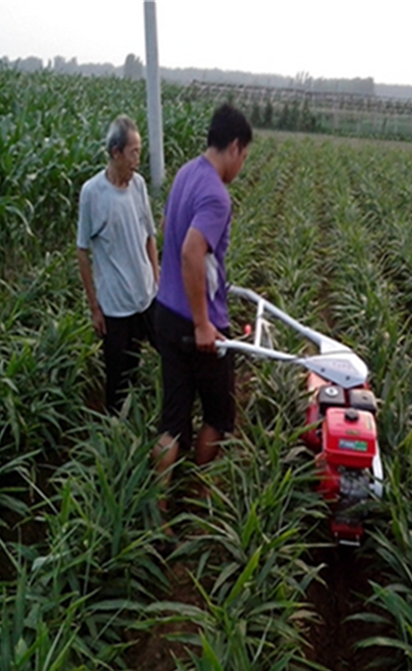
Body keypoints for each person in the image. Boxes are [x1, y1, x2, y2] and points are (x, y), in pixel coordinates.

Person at [152, 104, 252, 507]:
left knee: (173, 422)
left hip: (165, 312)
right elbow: (193, 252)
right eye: (244, 157)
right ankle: (200, 500)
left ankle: (156, 510)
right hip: (197, 326)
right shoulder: (216, 194)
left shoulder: (185, 173)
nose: (241, 165)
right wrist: (202, 323)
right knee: (219, 416)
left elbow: (167, 231)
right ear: (233, 147)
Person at [77, 115, 159, 415]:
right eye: (134, 152)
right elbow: (82, 251)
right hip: (114, 308)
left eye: (140, 150)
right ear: (116, 153)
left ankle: (143, 414)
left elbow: (150, 236)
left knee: (165, 354)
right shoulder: (92, 193)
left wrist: (157, 278)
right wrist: (94, 307)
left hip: (146, 297)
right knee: (117, 376)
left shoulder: (138, 186)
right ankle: (114, 434)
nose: (138, 159)